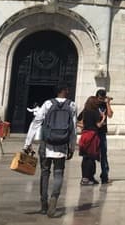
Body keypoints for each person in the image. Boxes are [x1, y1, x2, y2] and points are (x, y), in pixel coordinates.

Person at [24, 85, 77, 217]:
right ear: (63, 90)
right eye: (67, 89)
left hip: (46, 143)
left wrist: (27, 143)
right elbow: (73, 128)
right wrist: (72, 146)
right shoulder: (72, 105)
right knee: (59, 173)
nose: (68, 91)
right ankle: (54, 199)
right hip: (62, 144)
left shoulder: (48, 104)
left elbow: (36, 122)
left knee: (45, 173)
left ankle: (43, 204)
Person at [77, 96, 103, 185]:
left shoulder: (85, 111)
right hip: (92, 135)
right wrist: (103, 118)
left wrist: (83, 126)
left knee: (85, 158)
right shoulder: (95, 112)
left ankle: (86, 177)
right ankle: (87, 178)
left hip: (84, 135)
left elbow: (77, 120)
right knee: (91, 158)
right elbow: (98, 125)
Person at [95, 89, 113, 184]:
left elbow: (110, 115)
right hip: (94, 132)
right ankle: (89, 176)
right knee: (92, 154)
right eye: (100, 98)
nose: (101, 100)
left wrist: (108, 104)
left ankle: (105, 175)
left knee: (104, 155)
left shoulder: (104, 105)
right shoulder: (93, 105)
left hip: (102, 133)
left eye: (103, 98)